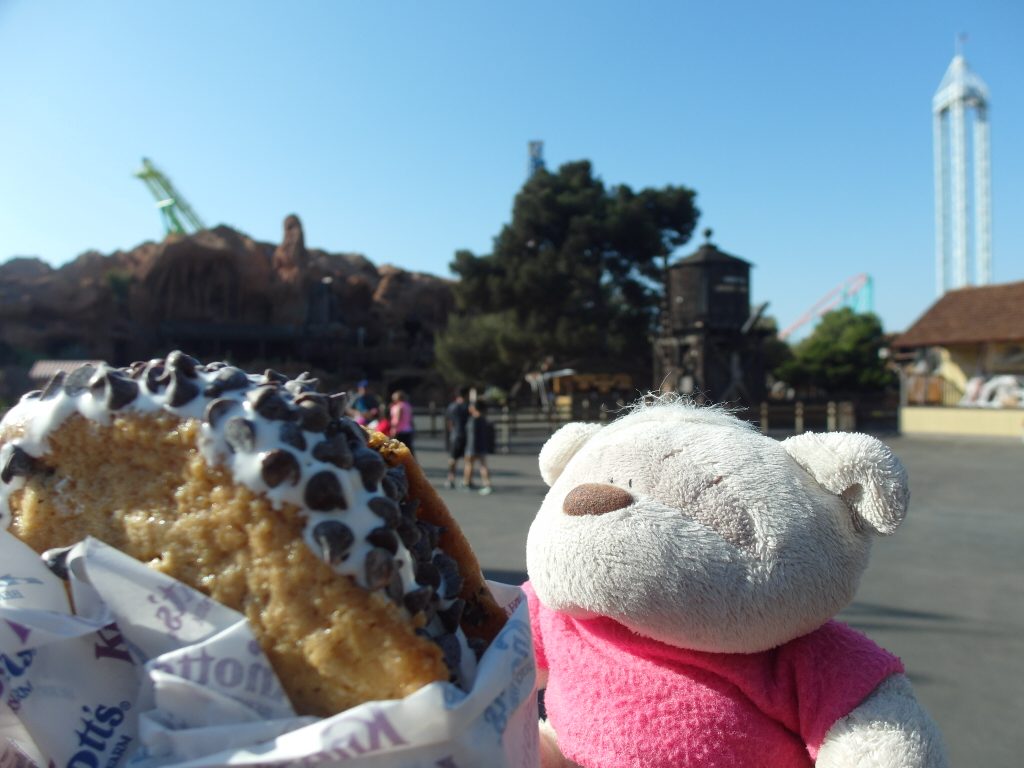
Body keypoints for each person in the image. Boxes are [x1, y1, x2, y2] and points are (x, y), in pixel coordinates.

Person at [464, 399, 495, 495]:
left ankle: (467, 483)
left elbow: (472, 436)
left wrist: (470, 449)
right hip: (481, 446)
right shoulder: (484, 419)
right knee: (482, 466)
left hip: (472, 447)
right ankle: (487, 484)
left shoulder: (473, 420)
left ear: (474, 408)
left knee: (469, 465)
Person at [445, 387, 470, 489]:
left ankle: (451, 479)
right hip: (467, 434)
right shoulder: (468, 407)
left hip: (455, 434)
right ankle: (466, 480)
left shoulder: (451, 407)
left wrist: (452, 432)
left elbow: (449, 422)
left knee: (453, 458)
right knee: (467, 459)